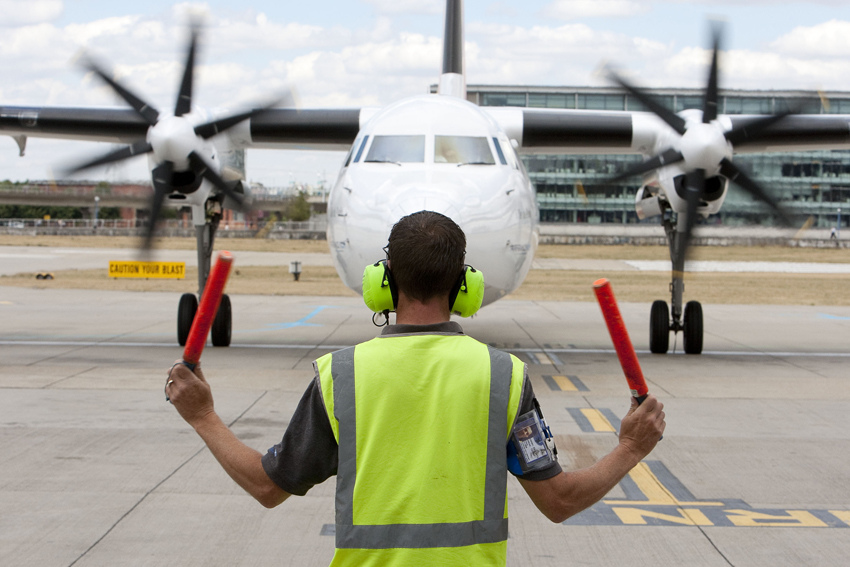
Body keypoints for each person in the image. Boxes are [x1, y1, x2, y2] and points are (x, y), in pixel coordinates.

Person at [166, 210, 665, 566]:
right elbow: (559, 501)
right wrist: (630, 447)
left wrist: (202, 416)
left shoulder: (341, 375)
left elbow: (267, 487)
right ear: (465, 285)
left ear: (382, 282)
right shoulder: (504, 376)